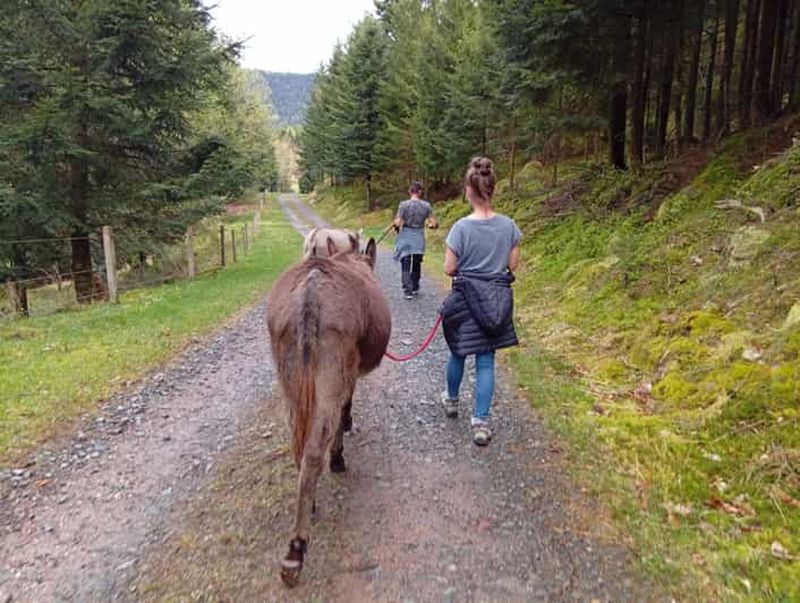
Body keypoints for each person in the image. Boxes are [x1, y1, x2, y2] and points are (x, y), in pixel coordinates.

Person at [439, 157, 521, 446]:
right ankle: (481, 422)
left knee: (458, 351)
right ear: (492, 189)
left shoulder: (460, 228)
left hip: (465, 300)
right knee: (486, 361)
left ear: (468, 191)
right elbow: (513, 264)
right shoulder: (509, 226)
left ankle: (451, 400)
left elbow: (449, 268)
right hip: (495, 301)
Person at [393, 181, 438, 299]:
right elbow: (433, 223)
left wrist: (396, 226)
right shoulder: (426, 206)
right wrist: (431, 226)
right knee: (417, 262)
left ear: (410, 191)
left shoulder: (403, 205)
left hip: (406, 235)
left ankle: (407, 291)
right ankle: (415, 287)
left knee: (406, 262)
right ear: (420, 192)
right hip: (418, 235)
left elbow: (398, 221)